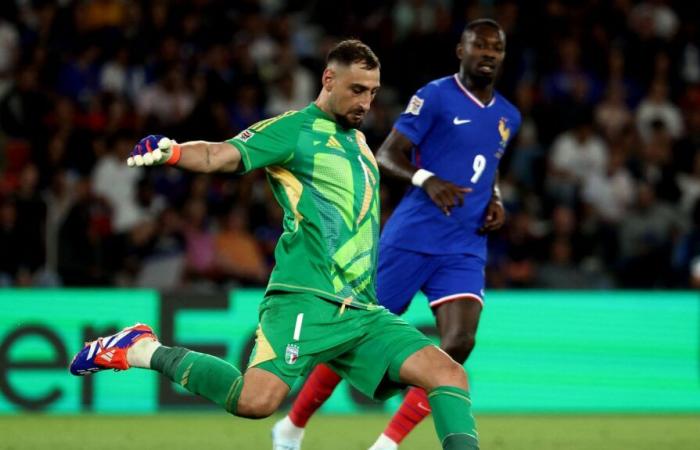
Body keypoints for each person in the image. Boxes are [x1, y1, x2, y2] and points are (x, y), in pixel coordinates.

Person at [68, 40, 480, 450]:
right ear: (328, 79)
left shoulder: (357, 143)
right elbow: (220, 155)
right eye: (357, 90)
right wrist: (174, 152)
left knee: (449, 375)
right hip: (305, 299)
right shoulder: (293, 130)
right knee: (255, 401)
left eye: (372, 92)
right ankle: (141, 349)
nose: (365, 103)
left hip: (361, 311)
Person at [273, 20, 520, 450]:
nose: (488, 53)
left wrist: (495, 196)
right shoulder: (435, 96)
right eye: (478, 45)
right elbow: (388, 154)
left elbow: (487, 161)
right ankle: (292, 425)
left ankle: (387, 444)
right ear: (460, 51)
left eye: (495, 47)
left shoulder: (507, 115)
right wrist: (428, 180)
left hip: (464, 245)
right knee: (350, 334)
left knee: (459, 343)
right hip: (410, 239)